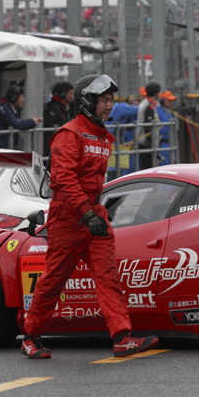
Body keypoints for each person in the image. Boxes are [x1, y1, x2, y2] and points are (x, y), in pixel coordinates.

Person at [21, 74, 159, 359]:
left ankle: (122, 337)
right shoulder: (69, 134)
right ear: (87, 101)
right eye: (104, 100)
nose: (109, 105)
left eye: (111, 100)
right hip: (68, 216)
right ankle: (30, 336)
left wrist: (94, 212)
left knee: (108, 277)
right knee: (54, 280)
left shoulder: (101, 135)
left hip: (94, 213)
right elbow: (64, 180)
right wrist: (86, 212)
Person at [0, 85, 42, 149]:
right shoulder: (3, 108)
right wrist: (32, 122)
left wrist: (32, 122)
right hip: (0, 147)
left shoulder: (5, 107)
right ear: (14, 98)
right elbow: (16, 125)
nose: (23, 100)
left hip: (1, 146)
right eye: (21, 97)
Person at [136, 80, 160, 169]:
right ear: (156, 93)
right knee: (149, 168)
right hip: (146, 143)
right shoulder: (148, 105)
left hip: (145, 142)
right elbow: (148, 127)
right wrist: (153, 143)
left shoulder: (147, 103)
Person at [156, 89, 177, 165]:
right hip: (162, 144)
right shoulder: (157, 111)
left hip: (169, 143)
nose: (171, 103)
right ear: (162, 101)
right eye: (169, 101)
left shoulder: (167, 111)